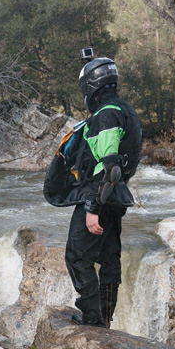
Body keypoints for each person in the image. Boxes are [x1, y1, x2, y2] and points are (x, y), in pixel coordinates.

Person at [64, 52, 143, 327]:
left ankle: (93, 318)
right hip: (116, 197)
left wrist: (92, 208)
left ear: (90, 85)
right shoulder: (126, 111)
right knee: (109, 258)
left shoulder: (105, 115)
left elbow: (110, 168)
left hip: (99, 195)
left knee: (77, 256)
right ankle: (104, 319)